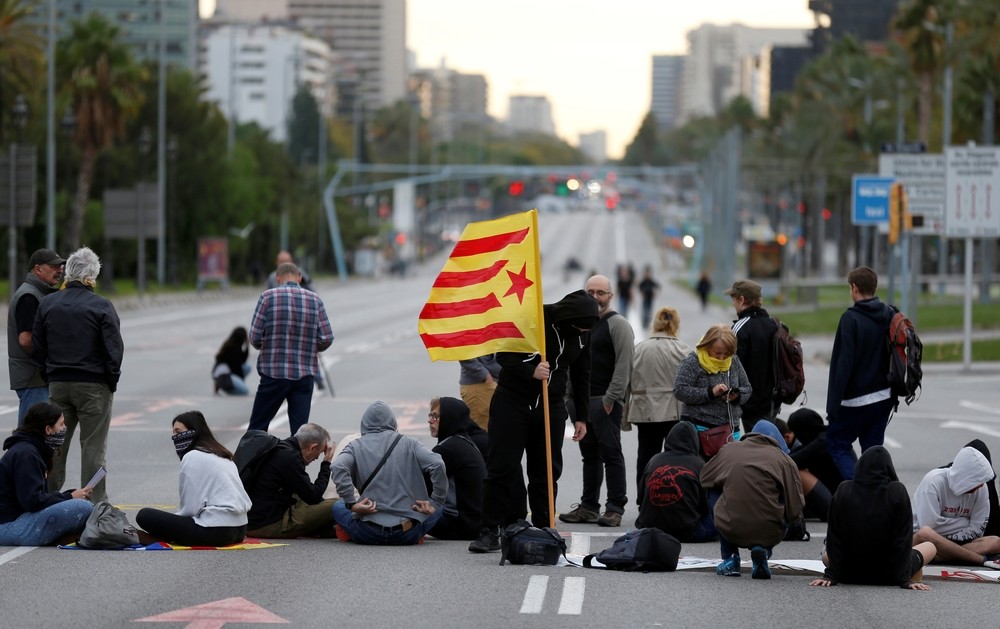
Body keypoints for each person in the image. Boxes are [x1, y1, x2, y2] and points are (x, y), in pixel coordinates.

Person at [469, 289, 598, 553]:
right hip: (513, 402)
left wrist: (582, 416)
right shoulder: (531, 319)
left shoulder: (584, 333)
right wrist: (531, 372)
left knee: (547, 471)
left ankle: (543, 528)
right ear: (567, 318)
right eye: (579, 327)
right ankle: (489, 530)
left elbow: (582, 374)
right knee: (501, 467)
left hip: (551, 406)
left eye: (586, 330)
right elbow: (504, 357)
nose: (582, 333)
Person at [32, 247, 123, 503]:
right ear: (93, 275)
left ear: (68, 273)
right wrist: (110, 381)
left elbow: (38, 348)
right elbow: (113, 350)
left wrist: (50, 375)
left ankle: (47, 500)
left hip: (58, 384)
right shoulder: (101, 306)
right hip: (94, 385)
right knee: (93, 450)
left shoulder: (48, 304)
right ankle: (95, 506)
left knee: (54, 446)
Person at [561, 275, 633, 528]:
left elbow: (624, 366)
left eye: (600, 292)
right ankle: (589, 506)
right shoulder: (581, 326)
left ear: (610, 296)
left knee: (611, 454)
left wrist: (611, 399)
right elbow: (570, 363)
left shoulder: (618, 325)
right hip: (580, 403)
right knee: (589, 456)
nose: (595, 297)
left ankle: (614, 507)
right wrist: (569, 398)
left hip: (605, 402)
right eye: (590, 291)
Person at [810, 446, 934, 590]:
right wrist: (905, 579)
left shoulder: (844, 490)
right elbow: (903, 540)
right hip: (891, 574)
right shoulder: (897, 491)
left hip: (848, 573)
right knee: (930, 546)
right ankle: (911, 573)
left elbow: (834, 536)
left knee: (826, 556)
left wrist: (830, 575)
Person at [331, 401, 447, 545]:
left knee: (338, 506)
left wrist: (351, 503)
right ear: (393, 422)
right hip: (406, 533)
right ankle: (419, 527)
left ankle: (349, 530)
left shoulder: (355, 446)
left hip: (368, 532)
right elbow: (437, 463)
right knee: (440, 507)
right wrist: (435, 501)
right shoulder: (410, 443)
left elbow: (337, 466)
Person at [700, 419, 804, 579]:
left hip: (730, 526)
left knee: (713, 487)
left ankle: (730, 558)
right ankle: (763, 550)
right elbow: (796, 506)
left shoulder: (730, 450)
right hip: (771, 530)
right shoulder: (784, 460)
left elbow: (704, 477)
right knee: (784, 497)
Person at [136, 411, 251, 546]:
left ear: (193, 431)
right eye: (173, 433)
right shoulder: (222, 455)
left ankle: (155, 537)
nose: (175, 437)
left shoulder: (192, 456)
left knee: (144, 515)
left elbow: (190, 509)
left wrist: (171, 525)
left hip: (217, 530)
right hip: (240, 529)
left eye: (178, 432)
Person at [826, 266, 896, 481]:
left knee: (837, 443)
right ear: (874, 288)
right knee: (873, 453)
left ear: (854, 288)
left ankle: (860, 490)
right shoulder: (889, 314)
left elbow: (843, 365)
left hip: (854, 401)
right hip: (883, 397)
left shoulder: (851, 318)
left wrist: (833, 407)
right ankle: (878, 496)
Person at [247, 262, 333, 435]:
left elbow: (255, 336)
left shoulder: (267, 297)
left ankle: (251, 461)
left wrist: (267, 346)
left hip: (273, 374)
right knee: (300, 434)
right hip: (304, 376)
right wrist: (308, 347)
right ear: (299, 278)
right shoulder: (315, 300)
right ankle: (297, 462)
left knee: (257, 428)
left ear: (278, 278)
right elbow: (327, 337)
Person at [0, 402, 93, 546]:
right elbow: (32, 501)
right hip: (8, 525)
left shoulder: (30, 449)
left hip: (16, 519)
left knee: (80, 505)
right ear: (48, 429)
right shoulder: (27, 454)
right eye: (61, 424)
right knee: (83, 507)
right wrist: (69, 497)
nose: (64, 428)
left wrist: (69, 496)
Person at [625, 306, 691, 495]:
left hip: (644, 412)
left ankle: (642, 498)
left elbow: (628, 383)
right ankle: (671, 497)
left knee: (645, 456)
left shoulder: (640, 349)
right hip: (674, 411)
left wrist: (624, 418)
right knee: (675, 459)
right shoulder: (684, 350)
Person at [911, 445, 1000, 569]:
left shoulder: (982, 487)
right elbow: (930, 526)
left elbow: (977, 530)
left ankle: (940, 556)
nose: (979, 487)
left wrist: (948, 536)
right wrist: (964, 523)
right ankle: (974, 558)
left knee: (996, 542)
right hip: (925, 541)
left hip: (958, 542)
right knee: (925, 533)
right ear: (964, 475)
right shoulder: (933, 482)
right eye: (975, 482)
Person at [244, 423, 337, 538]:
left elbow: (306, 492)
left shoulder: (280, 448)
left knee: (303, 497)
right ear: (312, 447)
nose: (317, 458)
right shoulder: (290, 458)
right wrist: (326, 463)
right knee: (338, 505)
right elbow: (314, 496)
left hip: (250, 521)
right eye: (318, 454)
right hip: (267, 525)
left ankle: (324, 529)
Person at [673, 324, 751, 459]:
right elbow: (679, 390)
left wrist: (736, 395)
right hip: (700, 428)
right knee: (702, 474)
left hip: (731, 429)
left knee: (729, 474)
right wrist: (710, 393)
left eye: (726, 353)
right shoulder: (693, 361)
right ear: (707, 346)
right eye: (717, 353)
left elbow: (747, 388)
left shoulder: (734, 361)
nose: (722, 358)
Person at [7, 248, 64, 424]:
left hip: (36, 376)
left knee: (37, 432)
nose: (60, 270)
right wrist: (50, 357)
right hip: (33, 377)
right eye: (54, 266)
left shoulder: (38, 293)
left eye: (61, 266)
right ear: (38, 269)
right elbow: (26, 339)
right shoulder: (29, 296)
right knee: (31, 432)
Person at [635, 422, 715, 543]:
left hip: (650, 530)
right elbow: (705, 505)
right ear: (695, 441)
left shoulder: (654, 460)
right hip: (688, 532)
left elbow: (640, 498)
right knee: (719, 516)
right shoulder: (699, 465)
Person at [426, 397, 487, 540]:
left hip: (459, 525)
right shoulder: (465, 441)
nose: (430, 421)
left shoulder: (447, 448)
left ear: (449, 418)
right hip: (477, 524)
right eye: (430, 415)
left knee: (408, 506)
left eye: (436, 416)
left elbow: (423, 485)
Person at [726, 280, 780, 432]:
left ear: (741, 300)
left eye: (734, 300)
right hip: (772, 400)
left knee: (755, 445)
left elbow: (732, 366)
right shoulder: (773, 324)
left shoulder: (740, 328)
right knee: (769, 442)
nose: (733, 305)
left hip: (749, 402)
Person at [787, 408, 842, 522]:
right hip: (837, 497)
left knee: (797, 471)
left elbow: (791, 461)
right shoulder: (824, 437)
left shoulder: (823, 442)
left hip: (839, 505)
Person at [939, 440, 1000, 537]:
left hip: (962, 537)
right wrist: (964, 522)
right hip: (957, 537)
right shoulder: (936, 480)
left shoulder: (985, 487)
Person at [458, 354, 500, 431]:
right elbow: (463, 353)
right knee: (480, 430)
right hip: (478, 384)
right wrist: (485, 375)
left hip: (494, 382)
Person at [212, 326, 252, 396]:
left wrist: (247, 346)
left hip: (226, 372)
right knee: (245, 391)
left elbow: (243, 361)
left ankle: (233, 385)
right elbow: (236, 368)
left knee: (247, 367)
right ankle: (229, 388)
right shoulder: (233, 349)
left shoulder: (232, 344)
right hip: (224, 375)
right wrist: (241, 380)